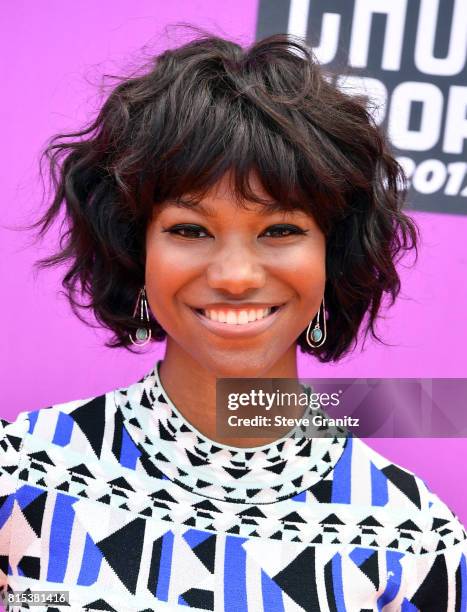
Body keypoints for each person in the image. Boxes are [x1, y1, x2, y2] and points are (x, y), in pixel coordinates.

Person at [1, 32, 466, 612]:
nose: (237, 275)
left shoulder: (413, 538)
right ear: (134, 250)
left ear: (332, 254)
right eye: (190, 230)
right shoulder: (21, 472)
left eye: (280, 230)